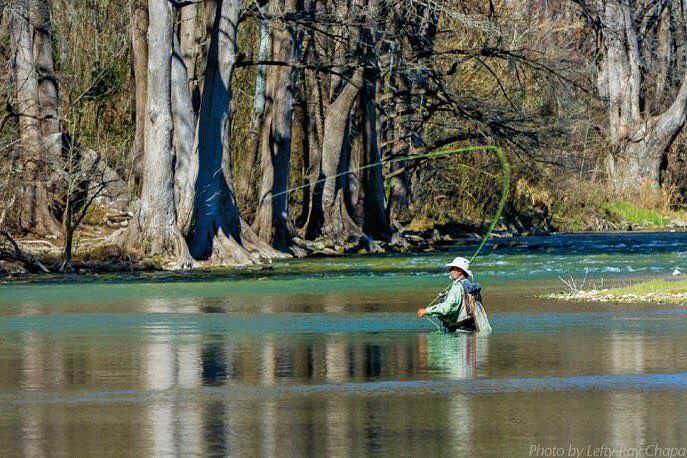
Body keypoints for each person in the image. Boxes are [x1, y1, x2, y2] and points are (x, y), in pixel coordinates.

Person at [417, 256, 491, 333]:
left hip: (459, 331)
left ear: (459, 271)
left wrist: (426, 311)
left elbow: (447, 308)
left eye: (452, 268)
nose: (449, 270)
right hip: (472, 328)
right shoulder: (469, 285)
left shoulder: (457, 287)